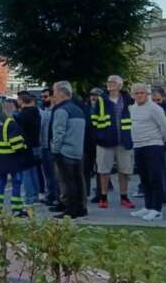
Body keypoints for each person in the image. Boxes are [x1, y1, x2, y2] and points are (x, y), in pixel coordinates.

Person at [91, 75, 135, 209]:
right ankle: (103, 197)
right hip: (105, 140)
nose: (110, 84)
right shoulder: (101, 100)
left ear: (120, 85)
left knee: (124, 170)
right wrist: (99, 136)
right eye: (108, 82)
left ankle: (124, 197)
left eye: (113, 82)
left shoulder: (128, 99)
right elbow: (94, 120)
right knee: (104, 170)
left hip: (124, 140)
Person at [128, 83, 166, 221]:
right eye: (136, 93)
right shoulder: (132, 108)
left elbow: (165, 129)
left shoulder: (154, 108)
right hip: (138, 146)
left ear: (147, 94)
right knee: (144, 178)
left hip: (153, 145)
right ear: (132, 95)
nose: (139, 95)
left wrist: (157, 141)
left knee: (155, 178)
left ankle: (157, 210)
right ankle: (148, 206)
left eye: (142, 93)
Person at [49, 81, 88, 219]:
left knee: (68, 182)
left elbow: (58, 132)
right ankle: (81, 208)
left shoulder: (61, 110)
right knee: (78, 181)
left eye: (54, 91)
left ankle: (71, 210)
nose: (53, 95)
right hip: (77, 150)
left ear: (60, 92)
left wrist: (55, 150)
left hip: (64, 151)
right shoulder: (77, 109)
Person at [0, 100, 27, 217]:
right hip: (12, 158)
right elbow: (16, 144)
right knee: (16, 182)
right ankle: (16, 209)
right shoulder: (10, 123)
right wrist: (24, 147)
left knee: (0, 182)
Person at [15, 92, 42, 208]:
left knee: (26, 172)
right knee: (33, 171)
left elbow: (19, 130)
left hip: (25, 145)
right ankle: (35, 195)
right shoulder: (36, 112)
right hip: (35, 144)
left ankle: (29, 197)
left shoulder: (23, 114)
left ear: (21, 101)